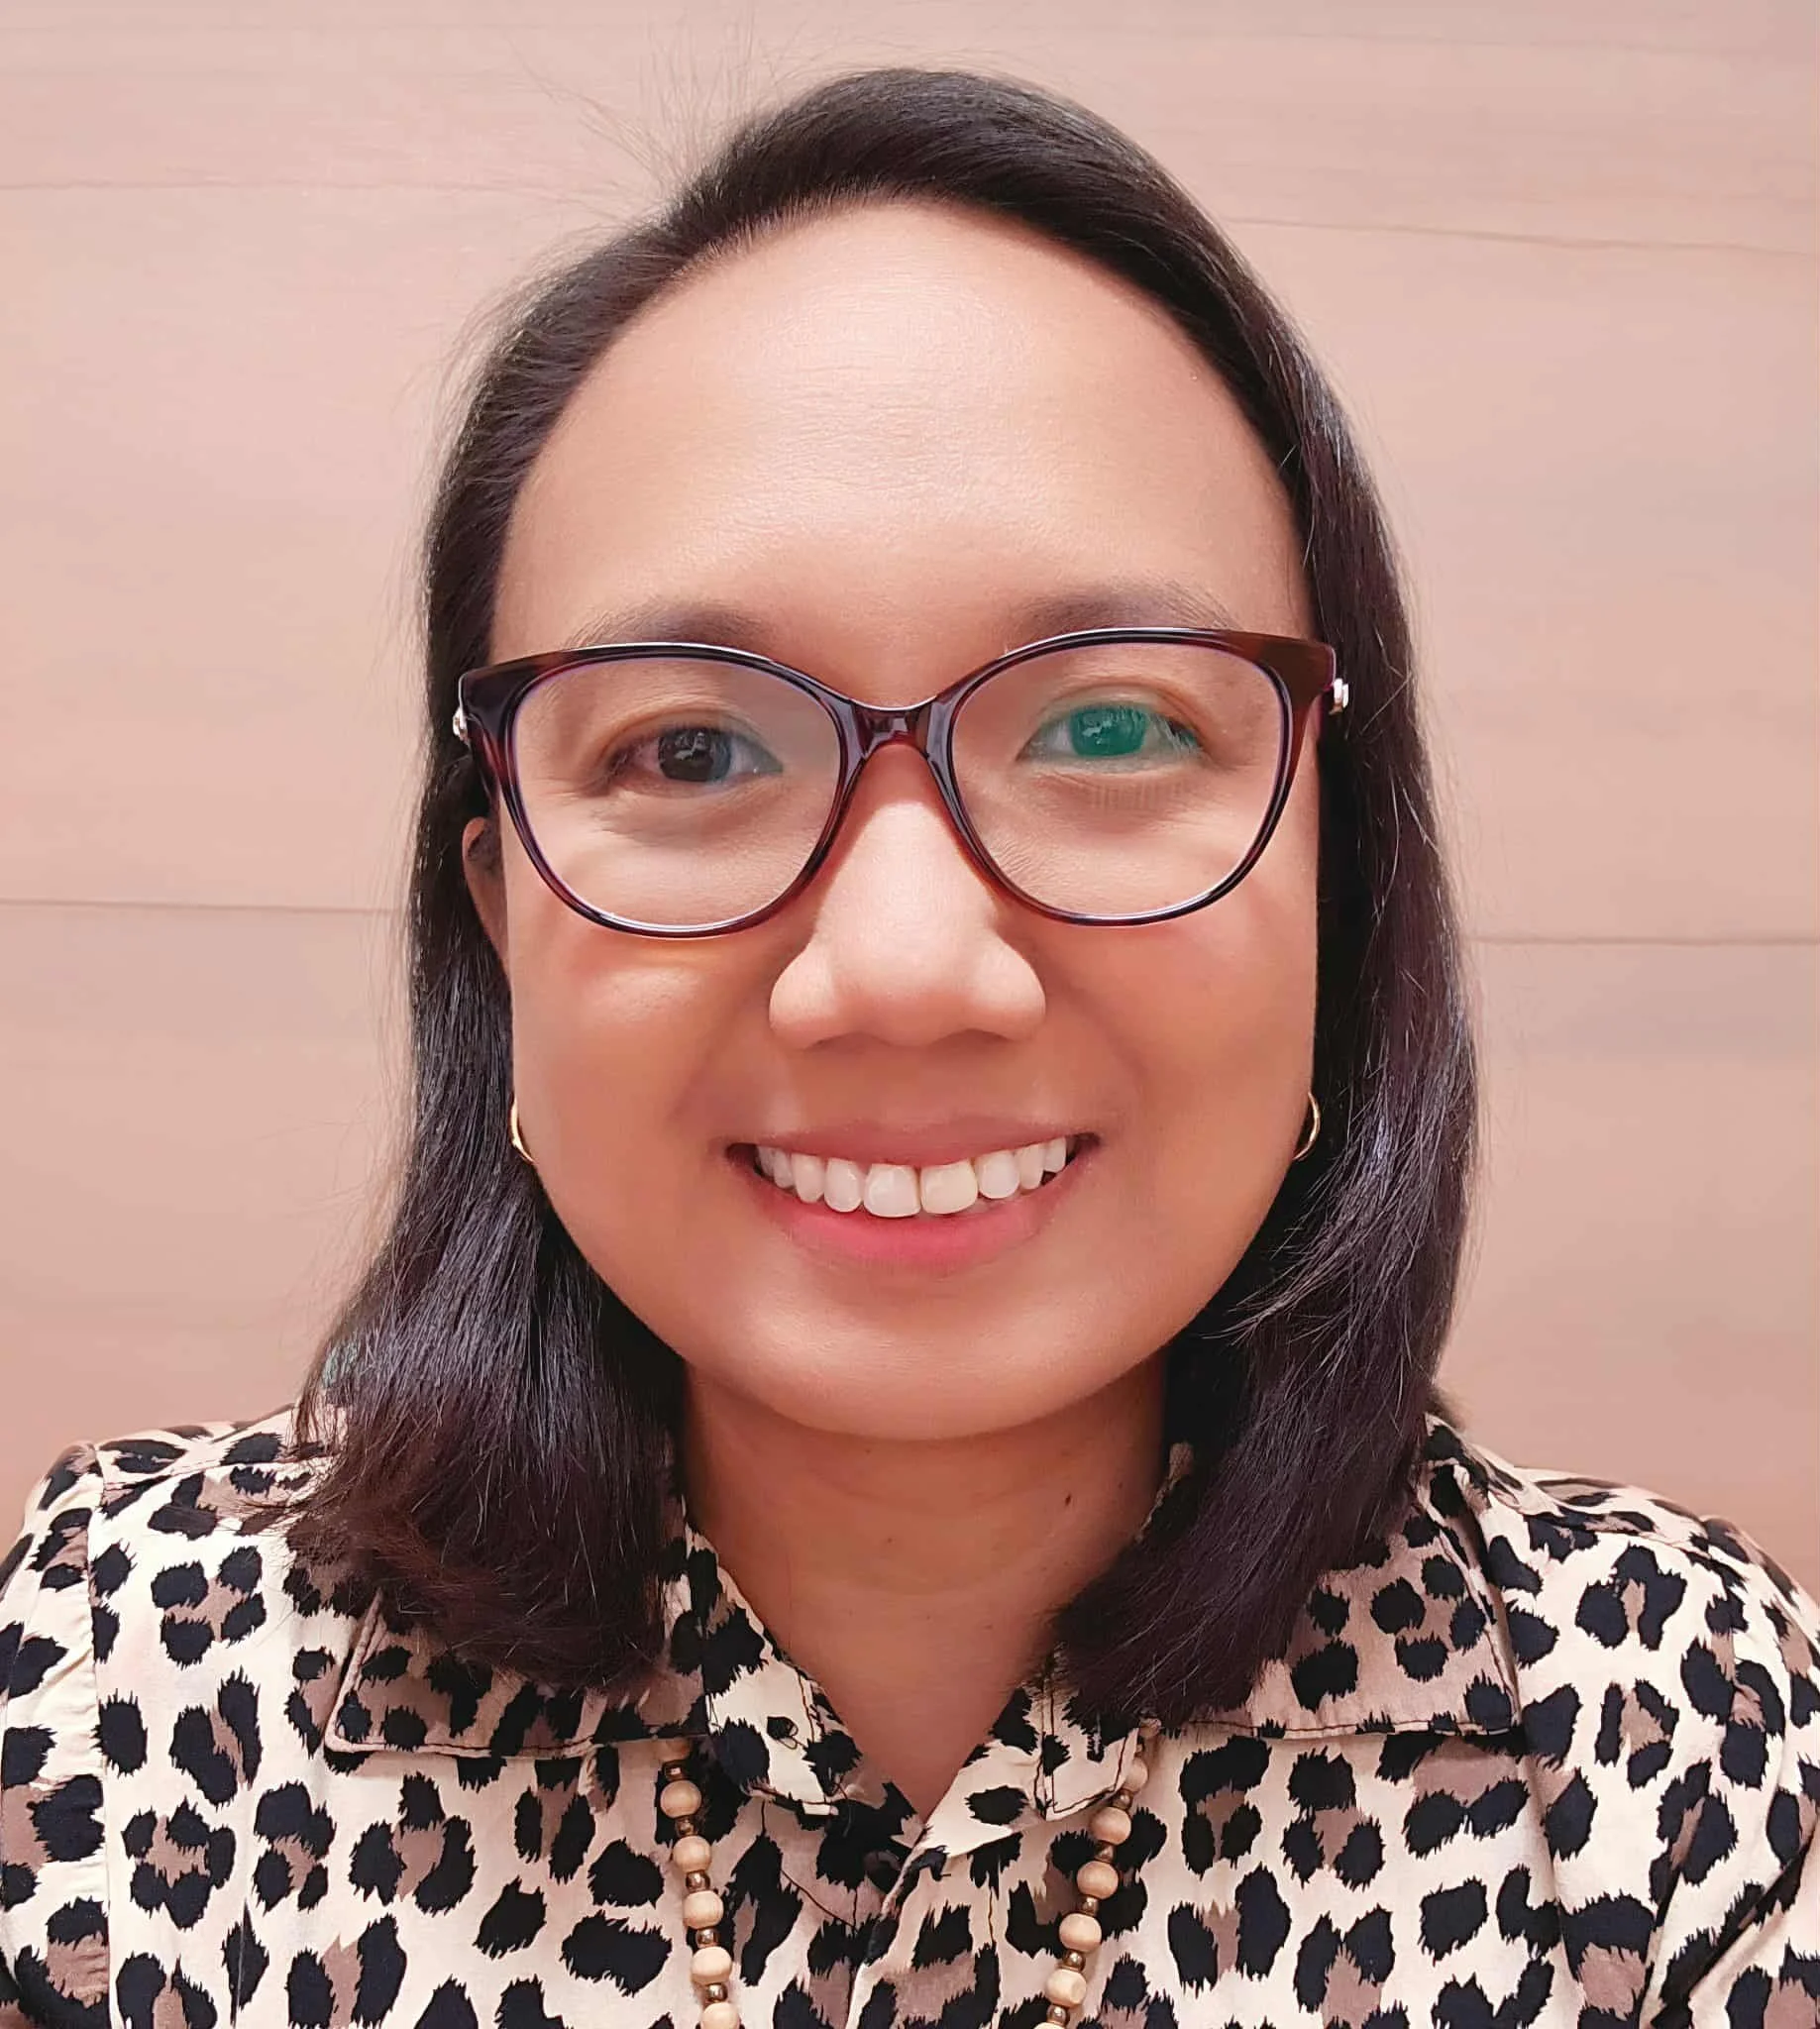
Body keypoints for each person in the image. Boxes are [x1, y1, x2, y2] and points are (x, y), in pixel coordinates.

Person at [2, 67, 1814, 2029]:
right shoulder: (107, 1674)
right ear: (501, 917)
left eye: (1113, 728)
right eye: (692, 747)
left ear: (1340, 881)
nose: (901, 967)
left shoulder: (1677, 1739)